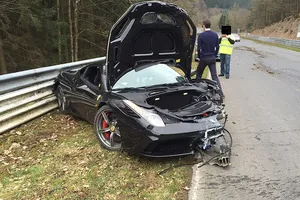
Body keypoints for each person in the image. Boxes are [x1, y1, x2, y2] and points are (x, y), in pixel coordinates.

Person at [196, 19, 224, 97]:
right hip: (212, 58)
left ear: (204, 26)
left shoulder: (201, 35)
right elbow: (217, 47)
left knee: (198, 75)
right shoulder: (215, 35)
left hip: (204, 58)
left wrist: (198, 57)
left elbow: (198, 48)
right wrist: (214, 55)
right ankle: (220, 93)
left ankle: (197, 92)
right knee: (214, 76)